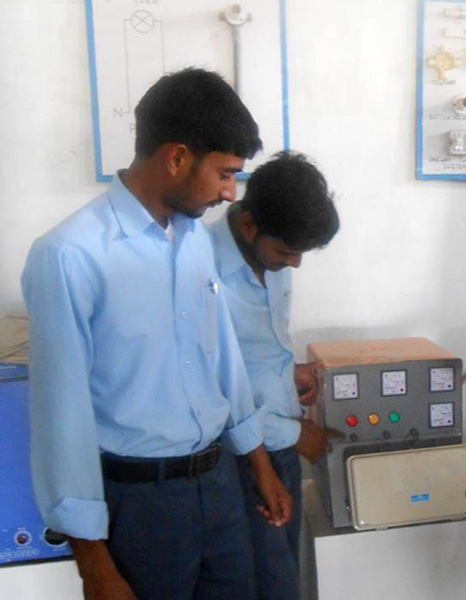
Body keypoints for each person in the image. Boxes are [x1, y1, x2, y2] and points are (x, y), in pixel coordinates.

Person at [21, 68, 292, 600]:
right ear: (176, 157)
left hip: (217, 484)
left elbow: (224, 358)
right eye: (225, 173)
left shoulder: (193, 239)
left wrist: (258, 463)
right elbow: (61, 417)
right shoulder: (70, 255)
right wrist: (93, 564)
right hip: (140, 502)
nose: (230, 192)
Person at [208, 151, 340, 600]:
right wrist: (295, 433)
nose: (295, 264)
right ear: (249, 225)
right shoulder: (200, 269)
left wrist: (287, 374)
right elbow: (209, 389)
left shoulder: (273, 260)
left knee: (283, 575)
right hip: (236, 459)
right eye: (287, 252)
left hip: (280, 447)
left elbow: (257, 350)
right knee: (262, 583)